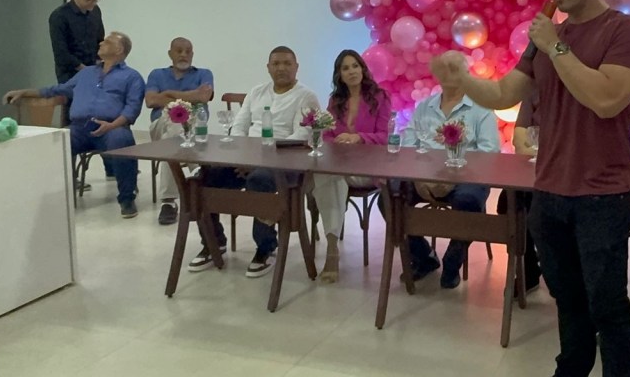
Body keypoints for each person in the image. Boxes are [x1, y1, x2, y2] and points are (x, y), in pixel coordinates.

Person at [432, 0, 630, 375]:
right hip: (549, 194)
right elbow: (503, 93)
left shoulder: (626, 32)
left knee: (607, 306)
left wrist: (555, 46)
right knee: (567, 302)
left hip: (602, 196)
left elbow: (606, 99)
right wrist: (461, 79)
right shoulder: (548, 37)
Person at [188, 46, 320, 278]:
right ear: (268, 68)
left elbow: (300, 136)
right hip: (246, 158)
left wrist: (259, 160)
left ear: (296, 67)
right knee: (206, 177)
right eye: (276, 63)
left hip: (285, 163)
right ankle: (213, 242)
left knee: (260, 180)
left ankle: (266, 247)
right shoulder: (257, 92)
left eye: (287, 63)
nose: (281, 68)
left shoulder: (306, 96)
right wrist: (243, 156)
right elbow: (239, 126)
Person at [4, 32, 145, 218]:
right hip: (79, 128)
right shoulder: (86, 73)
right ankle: (55, 197)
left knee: (121, 140)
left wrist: (111, 126)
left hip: (112, 127)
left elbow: (132, 109)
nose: (101, 43)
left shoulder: (132, 77)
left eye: (107, 41)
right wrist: (24, 92)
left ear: (119, 49)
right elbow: (57, 90)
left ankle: (127, 198)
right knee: (55, 142)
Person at [397, 53, 500, 290]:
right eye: (443, 68)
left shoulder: (481, 108)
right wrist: (419, 179)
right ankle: (423, 257)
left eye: (454, 68)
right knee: (390, 196)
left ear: (466, 72)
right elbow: (409, 147)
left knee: (469, 201)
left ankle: (453, 262)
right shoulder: (424, 107)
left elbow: (489, 153)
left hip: (467, 178)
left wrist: (453, 179)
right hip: (425, 177)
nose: (448, 74)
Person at [310, 49, 392, 284]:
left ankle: (331, 249)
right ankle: (332, 248)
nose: (351, 71)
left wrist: (358, 138)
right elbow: (326, 134)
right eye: (345, 68)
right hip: (340, 165)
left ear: (363, 69)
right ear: (339, 75)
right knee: (327, 176)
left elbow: (384, 137)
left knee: (330, 178)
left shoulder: (380, 97)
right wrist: (335, 141)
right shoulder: (335, 100)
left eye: (355, 66)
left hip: (368, 167)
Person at [49, 0, 115, 179]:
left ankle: (112, 166)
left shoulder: (95, 12)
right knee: (74, 121)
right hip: (71, 73)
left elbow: (100, 41)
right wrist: (84, 70)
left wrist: (101, 65)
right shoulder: (59, 16)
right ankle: (71, 176)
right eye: (89, 0)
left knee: (103, 113)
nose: (93, 3)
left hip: (94, 70)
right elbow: (61, 52)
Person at [145, 37, 214, 225]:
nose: (184, 54)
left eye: (188, 51)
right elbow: (151, 101)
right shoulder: (157, 74)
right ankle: (197, 171)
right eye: (179, 51)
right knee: (175, 120)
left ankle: (168, 202)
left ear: (193, 54)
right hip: (160, 125)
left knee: (173, 139)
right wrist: (191, 97)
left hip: (194, 128)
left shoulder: (204, 74)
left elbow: (204, 96)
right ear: (170, 53)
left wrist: (168, 94)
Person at [497, 89, 542, 295]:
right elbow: (520, 139)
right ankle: (528, 269)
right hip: (537, 170)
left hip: (573, 175)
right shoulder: (535, 90)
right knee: (509, 201)